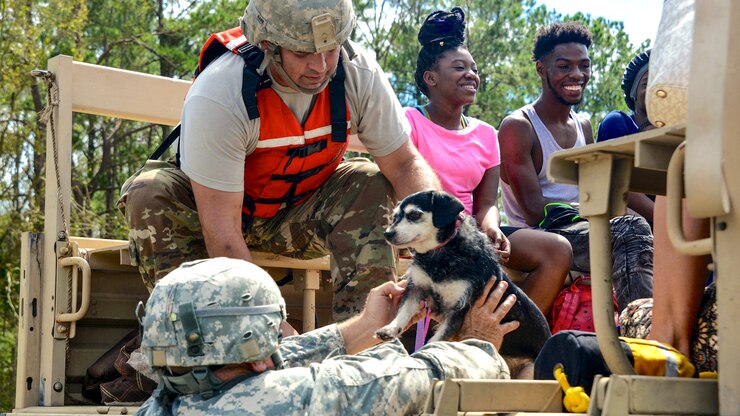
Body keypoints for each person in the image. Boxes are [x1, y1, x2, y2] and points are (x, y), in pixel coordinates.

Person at [117, 0, 440, 323]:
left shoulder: (357, 73)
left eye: (331, 49)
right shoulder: (220, 93)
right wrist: (276, 333)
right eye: (302, 53)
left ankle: (368, 340)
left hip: (297, 216)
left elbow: (404, 165)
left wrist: (444, 239)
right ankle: (189, 339)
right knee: (149, 192)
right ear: (269, 46)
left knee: (369, 181)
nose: (321, 66)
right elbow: (223, 234)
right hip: (211, 218)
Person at [135, 257, 519, 415]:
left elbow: (275, 360)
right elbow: (422, 377)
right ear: (253, 352)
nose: (279, 338)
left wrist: (365, 326)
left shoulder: (165, 399)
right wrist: (478, 342)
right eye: (272, 329)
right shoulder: (296, 398)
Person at [405, 7, 572, 315]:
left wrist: (492, 228)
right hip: (424, 235)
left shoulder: (485, 134)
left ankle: (509, 339)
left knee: (557, 250)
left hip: (471, 232)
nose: (472, 74)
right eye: (459, 68)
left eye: (474, 69)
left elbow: (485, 203)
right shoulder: (410, 122)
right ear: (431, 78)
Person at [497, 22, 654, 312]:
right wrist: (596, 209)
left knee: (653, 230)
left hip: (583, 226)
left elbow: (595, 190)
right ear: (541, 70)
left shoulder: (583, 125)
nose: (577, 75)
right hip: (538, 233)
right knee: (630, 229)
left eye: (584, 66)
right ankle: (641, 330)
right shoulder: (518, 126)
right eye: (564, 66)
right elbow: (534, 208)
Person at [597, 49, 655, 225]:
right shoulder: (618, 123)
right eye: (647, 83)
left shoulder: (679, 135)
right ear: (633, 92)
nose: (655, 89)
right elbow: (619, 187)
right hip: (630, 224)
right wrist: (668, 220)